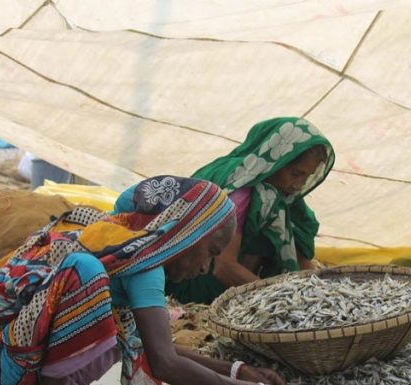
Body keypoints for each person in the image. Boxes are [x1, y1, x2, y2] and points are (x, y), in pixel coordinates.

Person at [0, 177, 308, 385]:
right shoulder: (139, 261)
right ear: (184, 231)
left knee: (115, 318)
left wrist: (236, 371)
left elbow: (156, 347)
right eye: (210, 252)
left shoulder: (121, 244)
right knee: (83, 272)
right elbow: (164, 362)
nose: (207, 268)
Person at [116, 117, 334, 304]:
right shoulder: (241, 191)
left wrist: (318, 294)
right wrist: (282, 298)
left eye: (307, 176)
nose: (299, 184)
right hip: (193, 279)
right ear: (276, 161)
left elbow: (302, 262)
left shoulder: (280, 196)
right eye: (296, 174)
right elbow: (224, 268)